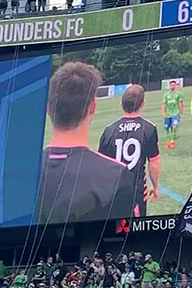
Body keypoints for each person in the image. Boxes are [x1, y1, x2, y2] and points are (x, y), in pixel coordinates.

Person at [37, 62, 138, 223]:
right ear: (92, 106)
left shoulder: (19, 175)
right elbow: (127, 238)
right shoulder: (116, 175)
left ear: (48, 109)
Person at [97, 84, 161, 217]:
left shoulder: (109, 130)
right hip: (136, 191)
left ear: (121, 104)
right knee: (135, 231)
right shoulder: (149, 128)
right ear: (142, 103)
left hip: (113, 191)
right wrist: (155, 186)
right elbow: (154, 162)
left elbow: (100, 165)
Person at [163, 82, 185, 149]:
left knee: (174, 126)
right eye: (171, 85)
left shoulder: (179, 94)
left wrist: (181, 111)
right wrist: (163, 113)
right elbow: (164, 104)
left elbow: (181, 103)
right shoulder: (166, 95)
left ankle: (172, 141)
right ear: (169, 86)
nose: (172, 86)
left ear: (175, 86)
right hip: (167, 114)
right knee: (166, 128)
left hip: (175, 113)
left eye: (173, 85)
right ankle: (167, 142)